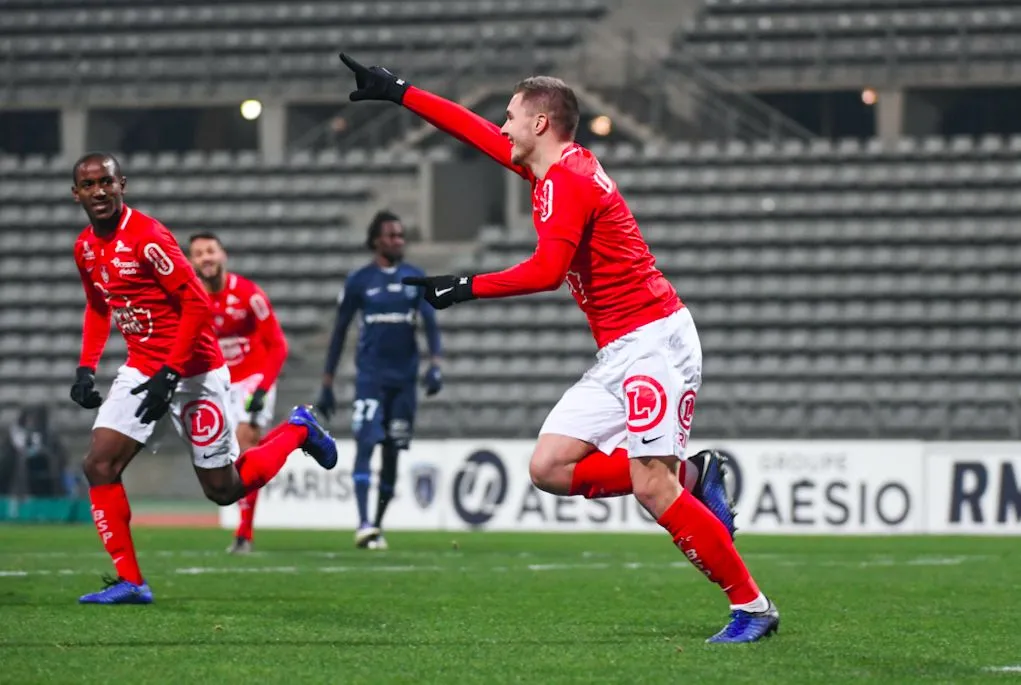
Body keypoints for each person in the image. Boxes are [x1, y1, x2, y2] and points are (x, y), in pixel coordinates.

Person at [338, 55, 777, 643]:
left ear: (540, 123)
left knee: (653, 485)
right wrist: (401, 93)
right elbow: (475, 131)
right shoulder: (555, 168)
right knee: (550, 467)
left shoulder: (567, 180)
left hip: (655, 342)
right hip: (622, 347)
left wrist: (464, 287)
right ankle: (694, 474)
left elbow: (547, 272)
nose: (503, 125)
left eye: (511, 115)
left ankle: (752, 606)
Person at [69, 152, 337, 604]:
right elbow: (99, 307)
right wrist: (85, 367)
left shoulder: (148, 237)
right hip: (142, 368)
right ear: (76, 193)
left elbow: (196, 303)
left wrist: (171, 372)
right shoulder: (85, 248)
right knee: (99, 464)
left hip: (194, 371)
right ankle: (132, 582)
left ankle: (298, 430)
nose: (99, 191)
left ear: (121, 185)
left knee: (223, 490)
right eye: (89, 184)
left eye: (106, 182)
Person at [315, 210, 443, 550]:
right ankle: (363, 522)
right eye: (391, 235)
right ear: (375, 241)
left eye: (401, 235)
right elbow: (340, 331)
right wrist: (327, 382)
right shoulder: (359, 281)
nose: (398, 241)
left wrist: (435, 365)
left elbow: (431, 325)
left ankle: (377, 525)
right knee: (366, 443)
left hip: (404, 382)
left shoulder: (415, 277)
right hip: (370, 379)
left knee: (392, 452)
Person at [188, 232, 289, 555]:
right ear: (191, 262)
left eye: (210, 251)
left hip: (252, 378)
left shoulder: (249, 294)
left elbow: (278, 345)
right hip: (219, 382)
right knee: (231, 457)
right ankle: (291, 433)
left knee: (245, 444)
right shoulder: (192, 299)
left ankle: (244, 533)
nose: (205, 258)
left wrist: (262, 388)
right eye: (198, 253)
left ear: (223, 255)